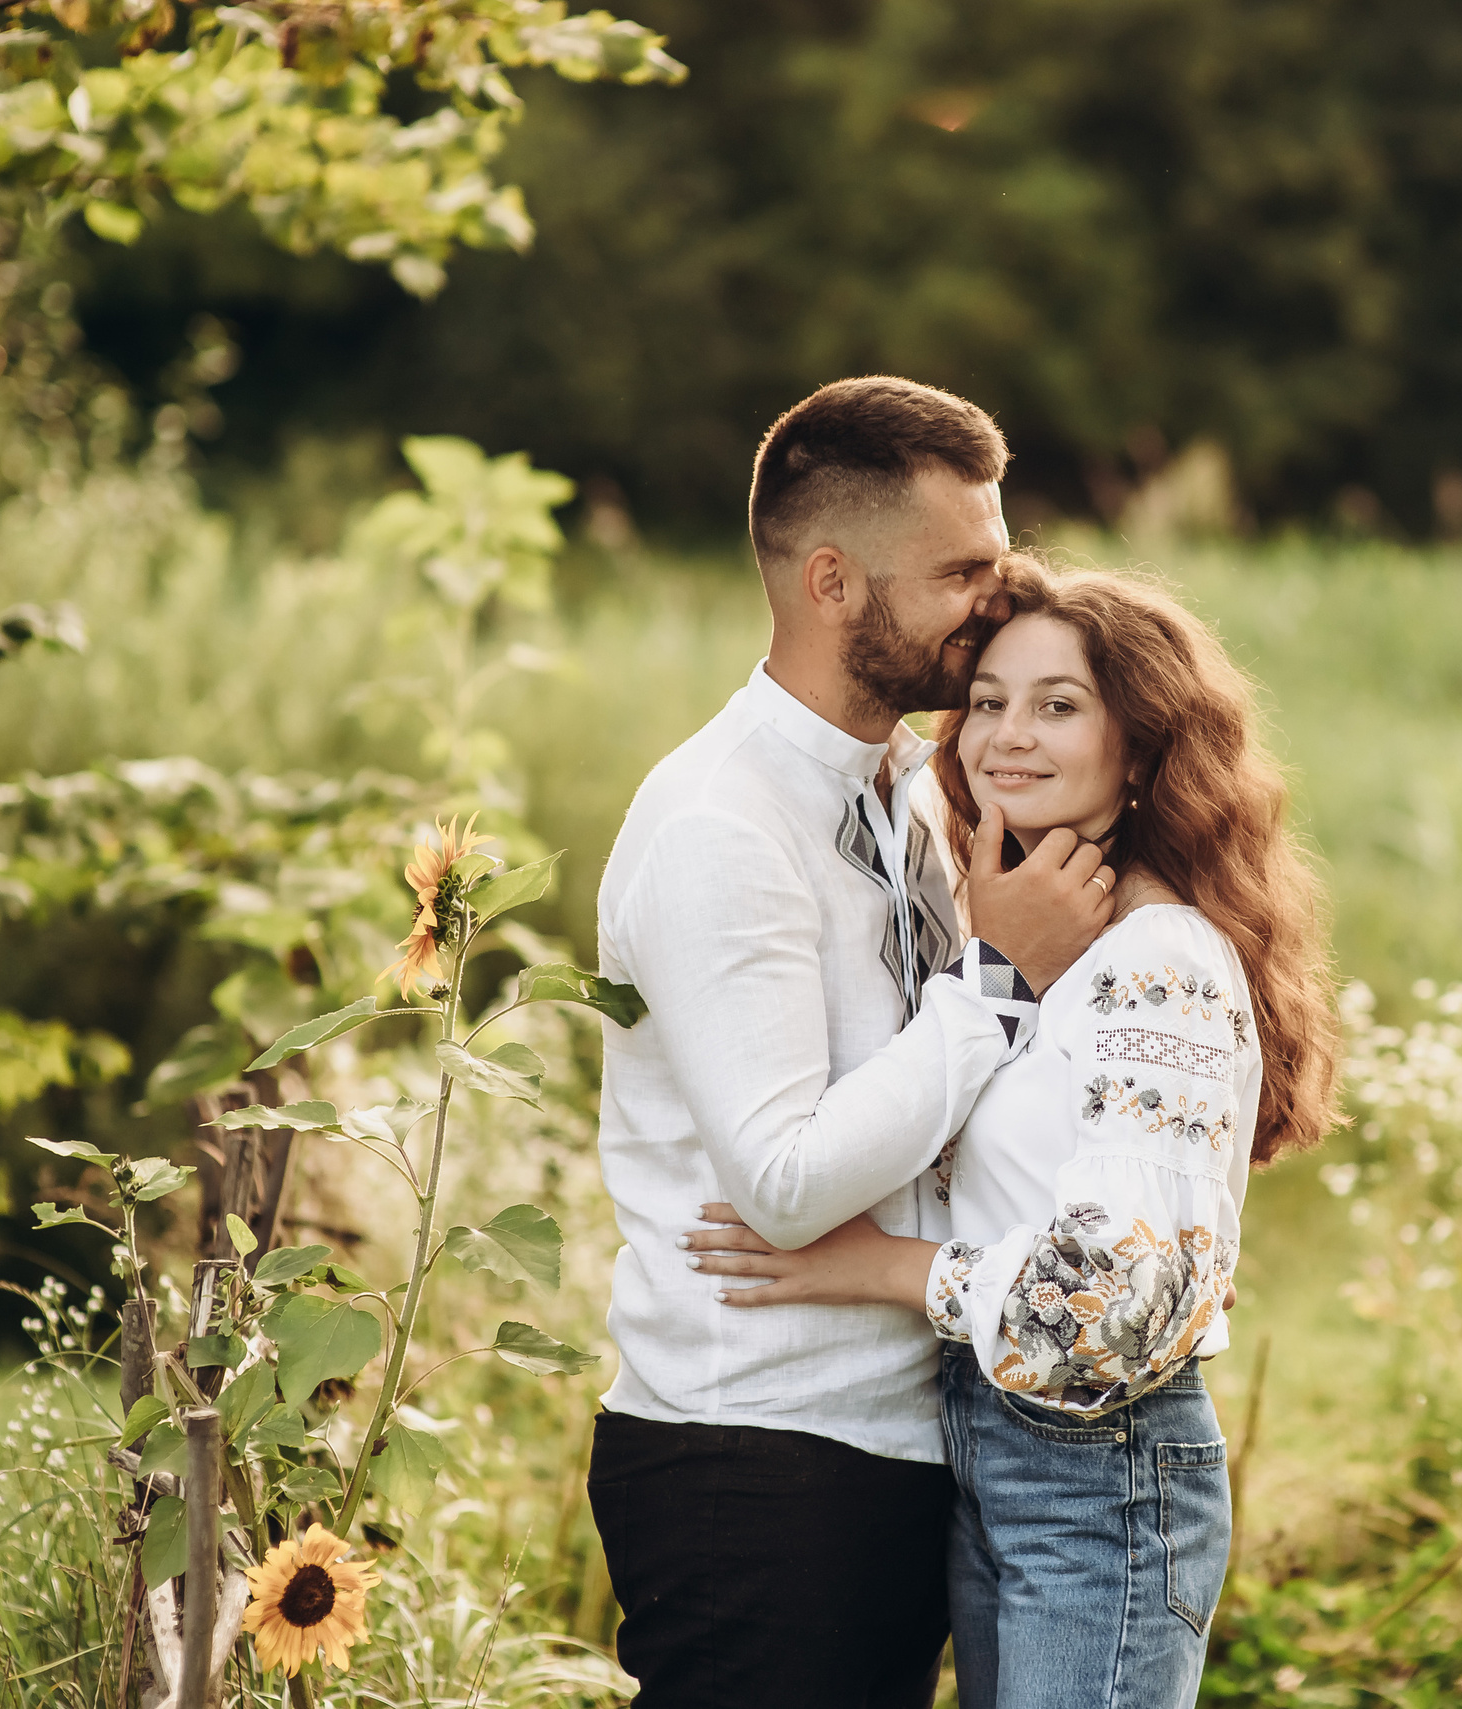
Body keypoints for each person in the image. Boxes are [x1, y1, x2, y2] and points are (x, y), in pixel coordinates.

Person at [685, 557, 1344, 1709]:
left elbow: (1120, 1301)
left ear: (1139, 746)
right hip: (993, 1442)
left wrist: (871, 1266)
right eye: (987, 700)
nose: (1007, 735)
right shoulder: (1031, 936)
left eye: (1058, 704)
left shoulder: (1158, 961)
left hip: (1101, 1473)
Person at [587, 382, 1118, 1709]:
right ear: (833, 581)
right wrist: (1000, 982)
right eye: (961, 571)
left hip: (889, 1437)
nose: (996, 599)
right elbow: (783, 1178)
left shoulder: (899, 792)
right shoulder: (723, 822)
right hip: (752, 1455)